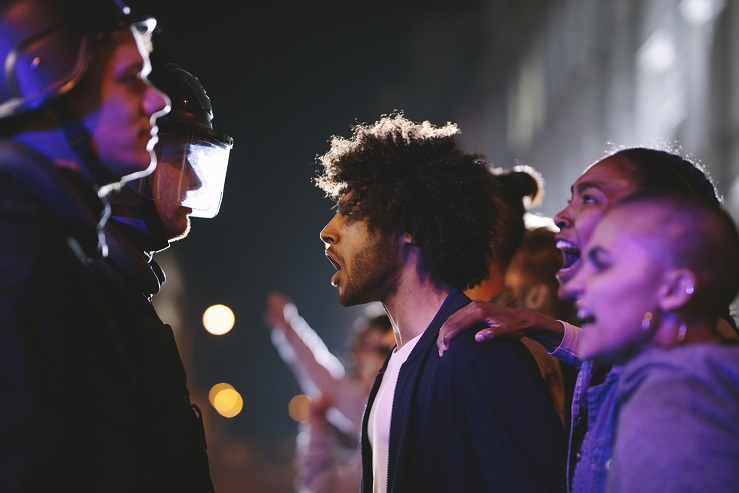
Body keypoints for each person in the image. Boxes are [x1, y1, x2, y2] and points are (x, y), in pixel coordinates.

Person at [0, 1, 211, 491]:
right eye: (131, 76)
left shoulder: (52, 251)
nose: (157, 101)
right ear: (47, 81)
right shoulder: (18, 262)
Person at [436, 146, 733, 493]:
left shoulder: (678, 405)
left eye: (590, 199)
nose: (561, 215)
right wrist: (540, 326)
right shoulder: (652, 364)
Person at [316, 113, 567, 492]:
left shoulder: (482, 355)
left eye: (351, 213)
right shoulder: (396, 363)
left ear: (410, 226)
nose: (328, 231)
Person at [93, 53, 233, 491]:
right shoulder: (83, 304)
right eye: (182, 157)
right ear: (129, 163)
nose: (194, 182)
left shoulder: (121, 293)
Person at [563, 191, 739, 493]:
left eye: (602, 264)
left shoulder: (673, 405)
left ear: (675, 289)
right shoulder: (698, 386)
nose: (573, 286)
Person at [265, 292, 394, 492]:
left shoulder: (395, 412)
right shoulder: (368, 407)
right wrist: (288, 328)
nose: (363, 358)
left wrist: (289, 328)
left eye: (380, 349)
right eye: (364, 347)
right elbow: (324, 378)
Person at [498, 226, 578, 427]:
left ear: (537, 295)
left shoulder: (529, 355)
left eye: (513, 294)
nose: (509, 306)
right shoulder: (589, 356)